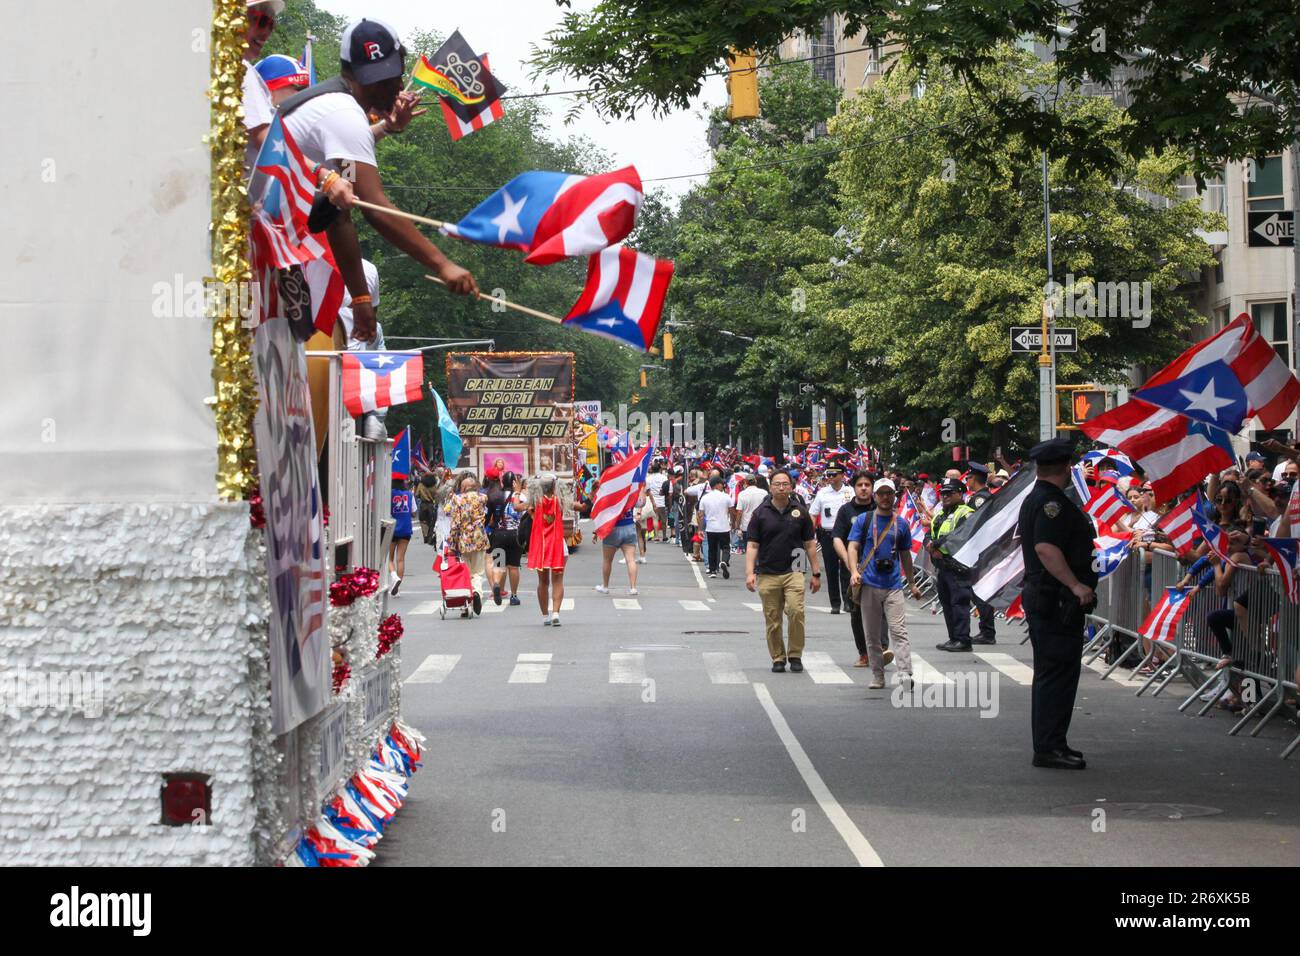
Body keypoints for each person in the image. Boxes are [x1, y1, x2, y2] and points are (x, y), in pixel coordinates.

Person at [278, 18, 477, 345]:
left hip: (270, 243)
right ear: (351, 74)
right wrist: (442, 264)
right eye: (375, 80)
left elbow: (338, 214)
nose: (389, 88)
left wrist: (360, 299)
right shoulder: (344, 114)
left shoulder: (338, 107)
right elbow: (376, 208)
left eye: (391, 76)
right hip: (255, 244)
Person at [1019, 437, 1098, 770]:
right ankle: (1049, 746)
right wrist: (1076, 585)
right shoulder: (1051, 504)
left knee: (1055, 674)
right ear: (1067, 467)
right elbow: (1046, 549)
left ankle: (1053, 742)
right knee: (1056, 674)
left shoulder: (1039, 499)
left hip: (1049, 598)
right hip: (1055, 600)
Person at [848, 479, 923, 689]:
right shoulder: (864, 520)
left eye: (889, 493)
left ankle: (905, 674)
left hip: (893, 585)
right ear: (875, 496)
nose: (885, 497)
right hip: (869, 584)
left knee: (899, 631)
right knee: (871, 635)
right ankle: (878, 675)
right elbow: (852, 547)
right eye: (881, 493)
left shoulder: (901, 524)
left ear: (894, 496)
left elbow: (905, 555)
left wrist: (912, 583)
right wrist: (854, 571)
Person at [745, 469, 821, 673]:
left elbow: (810, 544)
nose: (781, 487)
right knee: (773, 618)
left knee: (796, 611)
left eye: (785, 484)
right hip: (768, 571)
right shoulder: (760, 513)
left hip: (795, 568)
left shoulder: (800, 512)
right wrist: (750, 573)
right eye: (777, 483)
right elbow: (752, 545)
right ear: (770, 487)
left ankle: (795, 654)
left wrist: (816, 573)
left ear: (791, 486)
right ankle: (778, 657)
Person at [929, 479, 994, 651]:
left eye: (950, 493)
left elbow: (961, 535)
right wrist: (929, 542)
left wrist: (936, 545)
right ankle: (953, 638)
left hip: (958, 567)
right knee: (947, 603)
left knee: (959, 603)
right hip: (942, 566)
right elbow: (930, 532)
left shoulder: (967, 512)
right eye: (943, 493)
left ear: (960, 493)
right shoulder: (940, 514)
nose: (945, 496)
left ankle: (963, 640)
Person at [833, 471, 888, 668]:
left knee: (881, 608)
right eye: (860, 485)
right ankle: (864, 653)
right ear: (854, 488)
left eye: (867, 484)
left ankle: (881, 647)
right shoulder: (846, 511)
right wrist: (849, 561)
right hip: (853, 569)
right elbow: (837, 538)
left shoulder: (881, 508)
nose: (864, 488)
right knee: (857, 611)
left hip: (880, 569)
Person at [810, 466, 853, 614]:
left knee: (847, 569)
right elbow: (813, 514)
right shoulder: (822, 493)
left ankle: (848, 601)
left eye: (835, 474)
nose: (831, 477)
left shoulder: (850, 492)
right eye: (829, 474)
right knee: (831, 570)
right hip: (828, 535)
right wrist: (810, 534)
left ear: (842, 475)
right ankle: (835, 603)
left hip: (847, 535)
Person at [446, 472, 488, 616]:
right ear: (475, 488)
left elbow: (455, 523)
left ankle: (466, 604)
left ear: (463, 488)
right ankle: (476, 592)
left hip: (464, 541)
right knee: (478, 572)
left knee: (466, 574)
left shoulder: (457, 499)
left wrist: (451, 544)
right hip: (480, 540)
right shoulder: (483, 498)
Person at [529, 475, 568, 625]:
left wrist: (519, 491)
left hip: (542, 546)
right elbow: (579, 506)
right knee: (558, 580)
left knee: (543, 582)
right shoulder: (560, 502)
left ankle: (545, 616)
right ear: (554, 487)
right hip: (558, 545)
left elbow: (518, 507)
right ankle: (556, 613)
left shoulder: (535, 503)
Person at [596, 486, 646, 595]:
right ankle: (633, 588)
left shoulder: (609, 493)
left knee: (607, 560)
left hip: (612, 529)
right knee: (630, 560)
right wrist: (642, 488)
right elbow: (641, 503)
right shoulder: (630, 493)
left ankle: (605, 586)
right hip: (628, 527)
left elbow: (600, 510)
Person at [699, 476, 734, 578]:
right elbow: (732, 511)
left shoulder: (705, 498)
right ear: (718, 484)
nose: (723, 485)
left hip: (711, 528)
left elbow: (701, 515)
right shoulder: (726, 496)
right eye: (721, 484)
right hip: (724, 527)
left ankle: (713, 570)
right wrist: (733, 522)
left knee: (712, 549)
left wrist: (700, 529)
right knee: (726, 547)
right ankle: (723, 561)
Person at [388, 477, 414, 595]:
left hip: (392, 528)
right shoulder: (409, 494)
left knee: (387, 558)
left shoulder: (389, 494)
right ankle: (397, 588)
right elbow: (414, 512)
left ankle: (394, 576)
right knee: (400, 559)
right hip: (406, 528)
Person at [645, 461, 670, 542]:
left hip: (652, 501)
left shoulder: (648, 478)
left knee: (655, 518)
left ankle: (656, 536)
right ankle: (664, 535)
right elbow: (667, 488)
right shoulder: (664, 477)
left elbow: (647, 491)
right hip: (662, 500)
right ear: (660, 469)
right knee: (663, 519)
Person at [414, 472, 438, 544]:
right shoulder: (434, 485)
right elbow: (436, 495)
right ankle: (431, 537)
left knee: (423, 521)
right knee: (431, 521)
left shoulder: (421, 485)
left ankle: (425, 536)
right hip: (431, 505)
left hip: (423, 505)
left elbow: (417, 494)